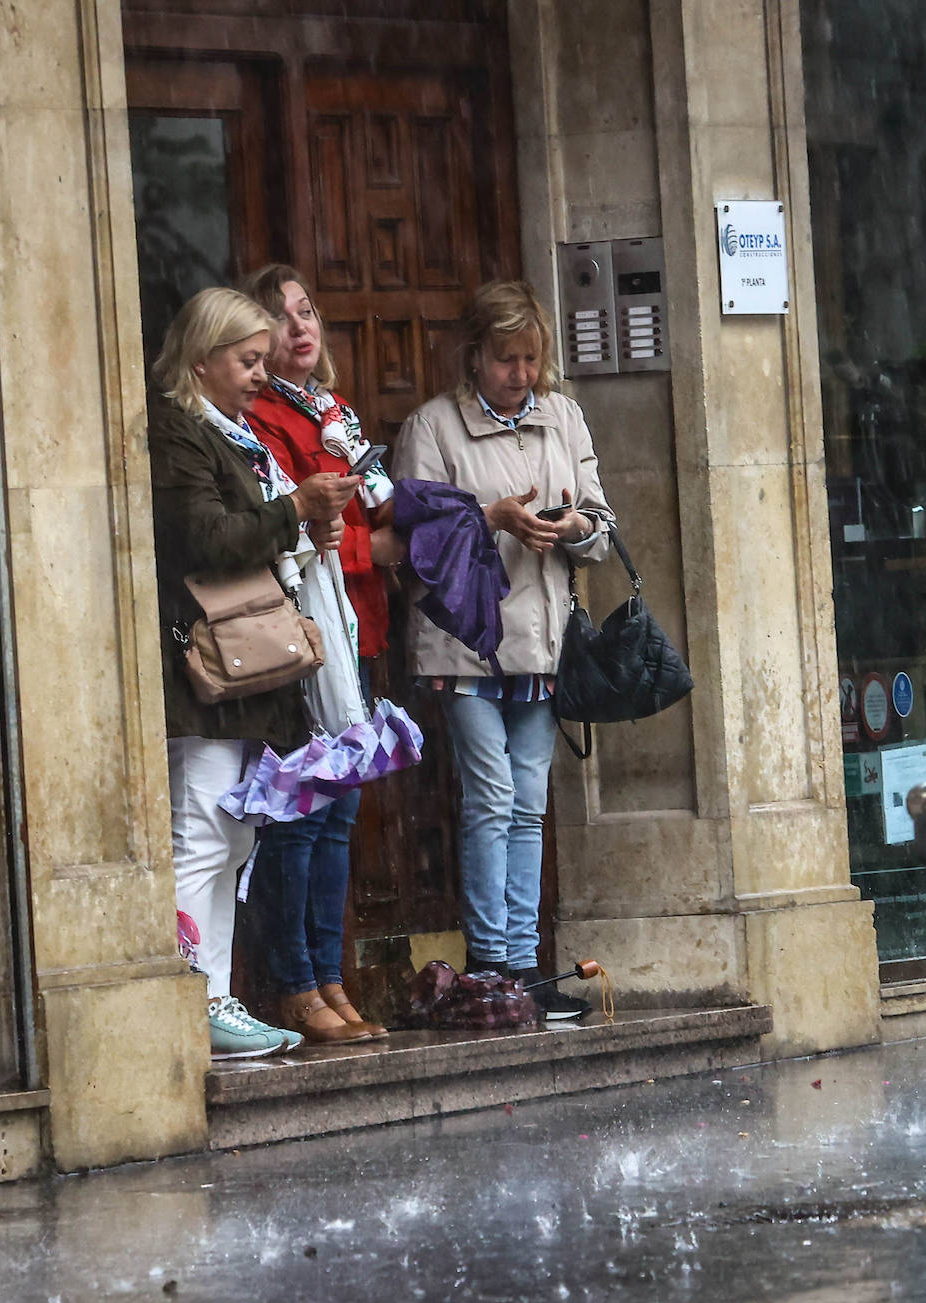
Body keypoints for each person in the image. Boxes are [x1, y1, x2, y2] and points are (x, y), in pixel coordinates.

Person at [392, 279, 615, 1020]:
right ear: (474, 356)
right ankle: (490, 964)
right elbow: (415, 543)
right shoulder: (433, 427)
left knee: (528, 804)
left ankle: (521, 969)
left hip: (544, 644)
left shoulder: (565, 419)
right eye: (505, 359)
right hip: (467, 646)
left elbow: (604, 529)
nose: (521, 374)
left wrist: (573, 528)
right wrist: (494, 518)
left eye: (531, 359)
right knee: (489, 799)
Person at [148, 286, 361, 1059]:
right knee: (204, 831)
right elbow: (203, 536)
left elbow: (262, 534)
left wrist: (309, 523)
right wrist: (293, 511)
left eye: (262, 363)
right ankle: (193, 997)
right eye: (245, 362)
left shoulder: (235, 432)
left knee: (235, 838)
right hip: (206, 670)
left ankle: (217, 993)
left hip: (253, 672)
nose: (257, 377)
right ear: (201, 359)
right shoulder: (177, 431)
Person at [239, 264, 402, 1044]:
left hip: (355, 631)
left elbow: (371, 504)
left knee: (341, 815)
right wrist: (382, 544)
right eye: (280, 318)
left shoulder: (335, 409)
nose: (299, 328)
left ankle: (331, 975)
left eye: (307, 312)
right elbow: (299, 529)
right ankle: (293, 984)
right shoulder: (262, 416)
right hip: (301, 636)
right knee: (300, 816)